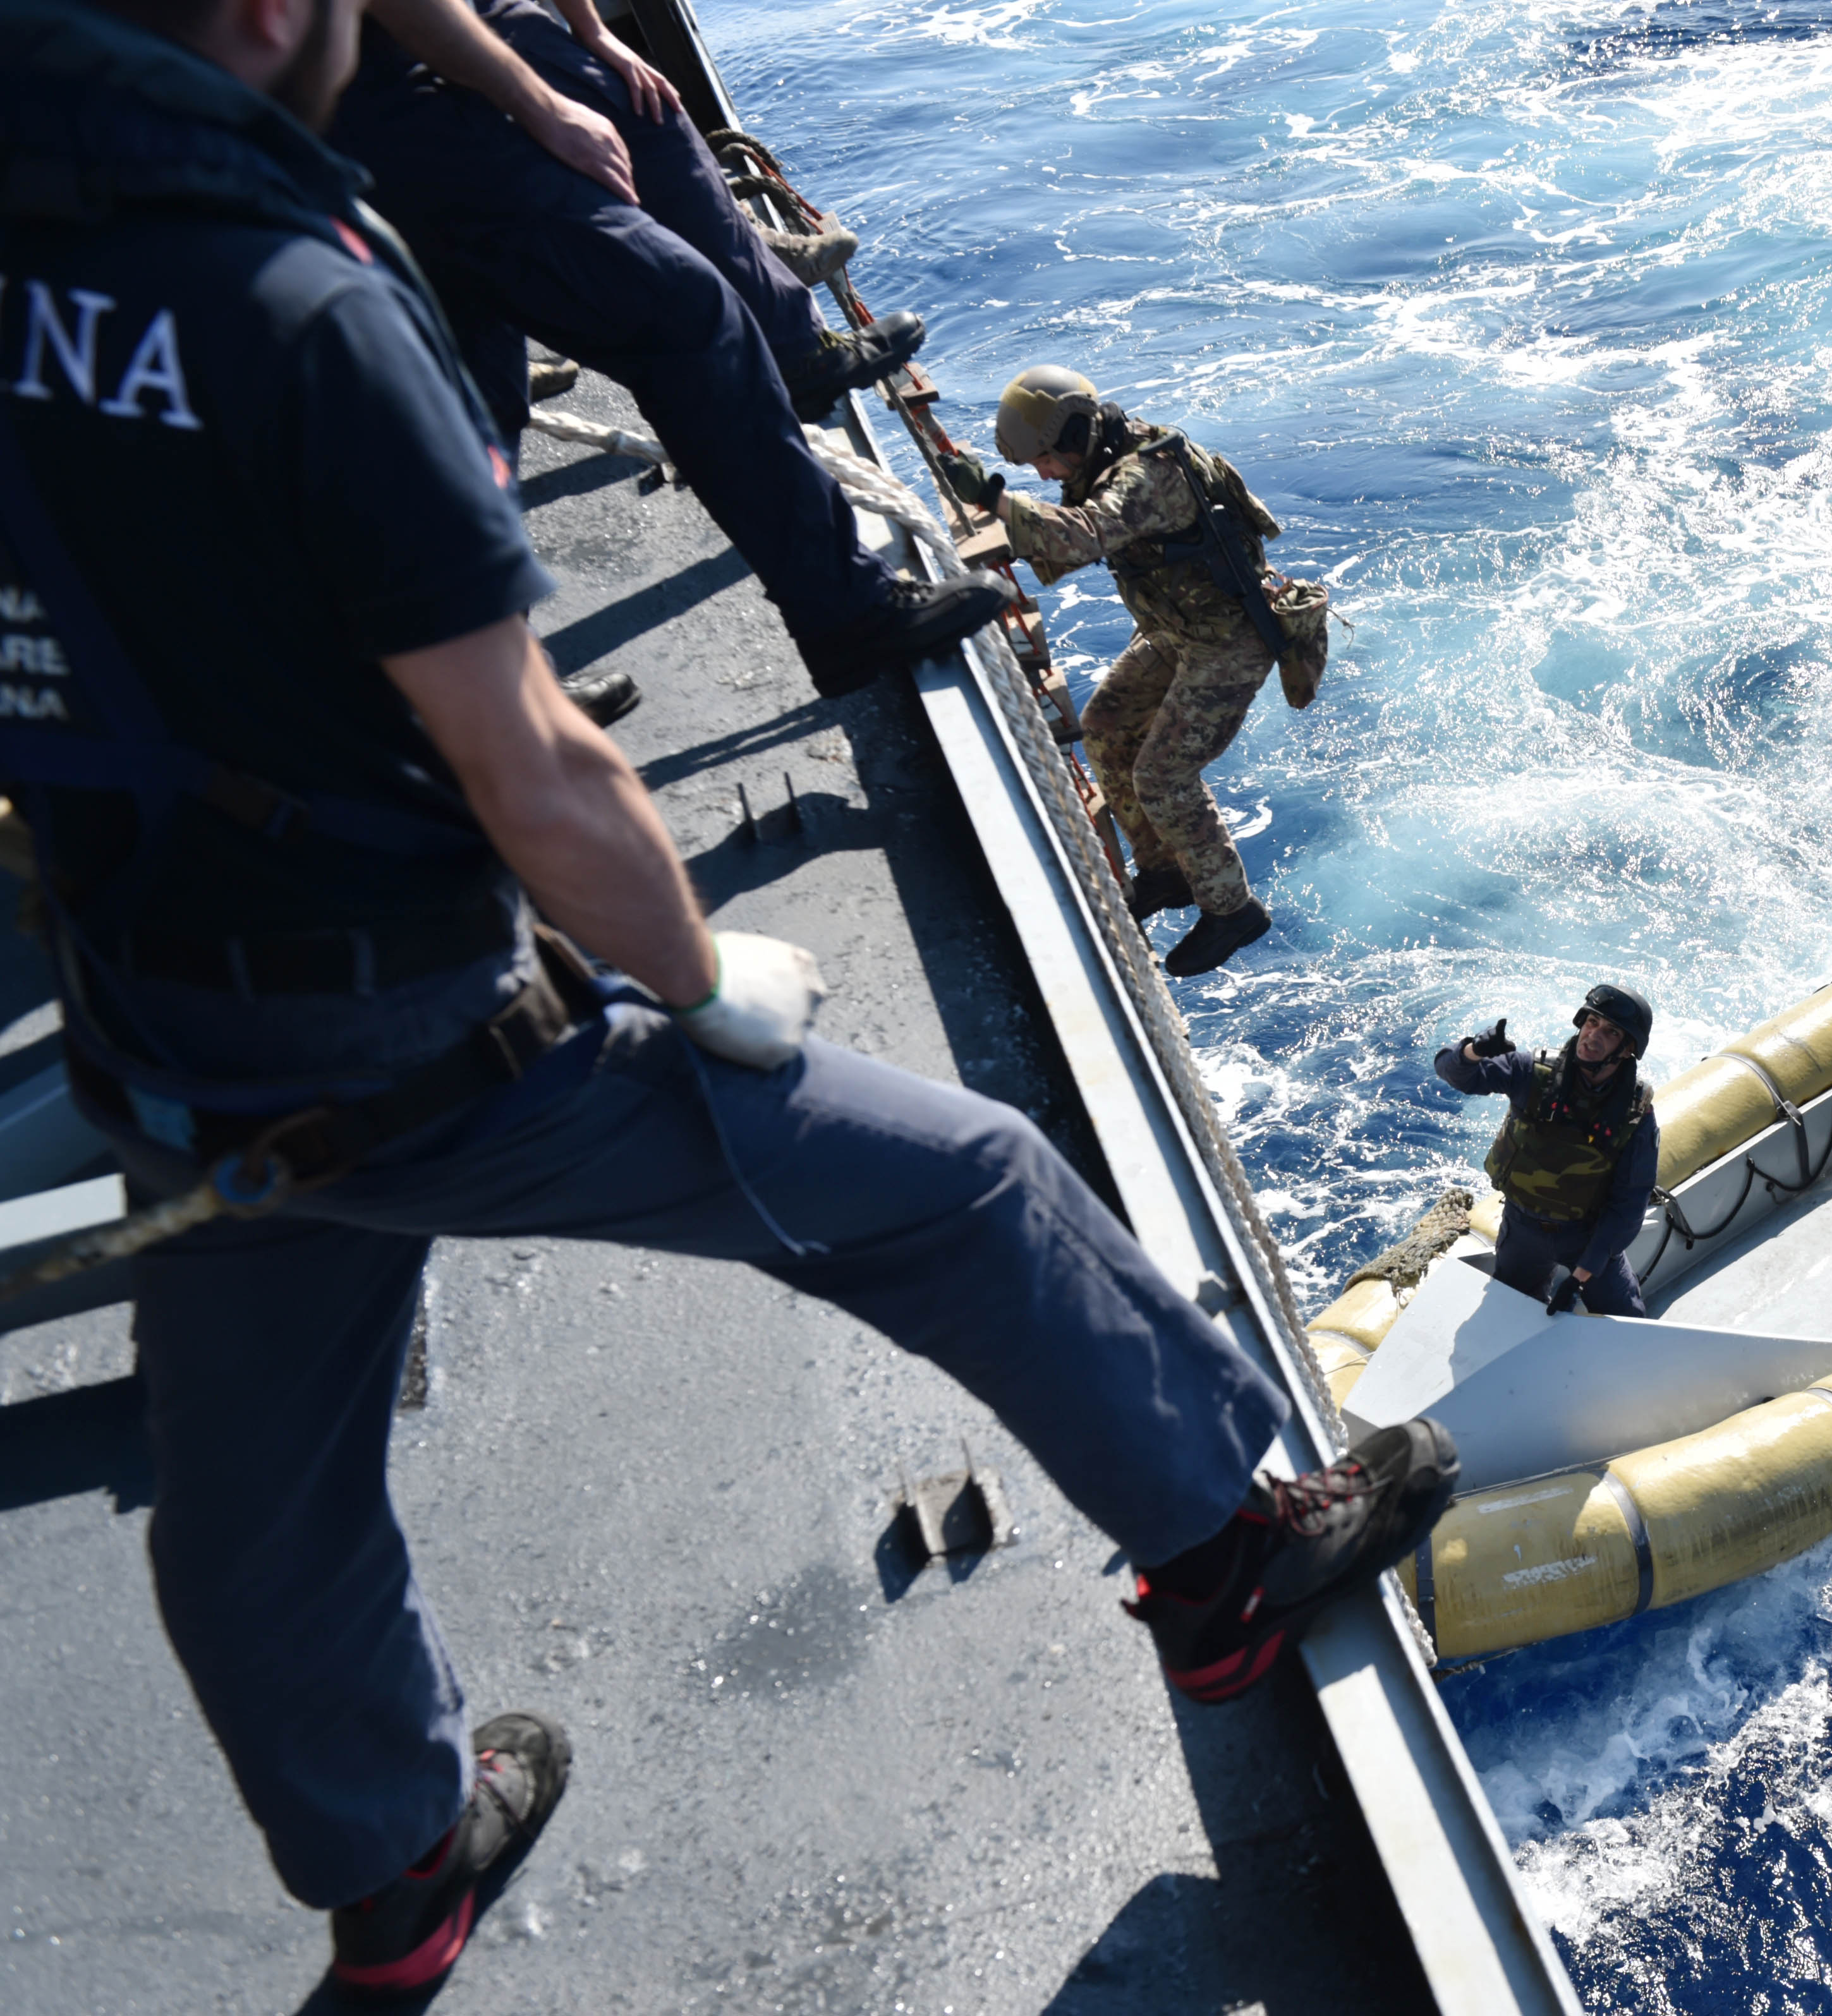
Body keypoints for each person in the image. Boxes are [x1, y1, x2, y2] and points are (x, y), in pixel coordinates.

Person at [0, 0, 1454, 1995]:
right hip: (409, 1028)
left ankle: (393, 1864)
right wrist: (697, 975)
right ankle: (1226, 1556)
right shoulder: (299, 311)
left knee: (257, 1497)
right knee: (968, 1188)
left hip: (159, 1036)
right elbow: (535, 768)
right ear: (266, 14)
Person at [325, 0, 1013, 703]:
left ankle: (495, 688)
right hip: (368, 88)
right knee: (688, 316)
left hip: (384, 63)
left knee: (476, 376)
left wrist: (589, 33)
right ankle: (848, 610)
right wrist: (540, 105)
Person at [937, 368, 1291, 977]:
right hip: (1180, 629)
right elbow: (1081, 534)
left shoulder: (1147, 474)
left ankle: (1233, 910)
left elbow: (1084, 536)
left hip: (1228, 641)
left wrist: (994, 499)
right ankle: (1165, 871)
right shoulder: (1110, 458)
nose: (1044, 475)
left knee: (1163, 775)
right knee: (1106, 726)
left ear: (1074, 435)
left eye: (1045, 460)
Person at [1435, 984, 1659, 1318]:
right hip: (1522, 1227)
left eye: (1611, 1032)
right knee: (1512, 1317)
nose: (1593, 1036)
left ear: (1627, 1049)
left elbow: (1630, 1202)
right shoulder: (1532, 1073)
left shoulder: (1635, 1114)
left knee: (1626, 1319)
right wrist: (1474, 1051)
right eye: (1592, 1023)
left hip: (1588, 1233)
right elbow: (1454, 1073)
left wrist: (1582, 1275)